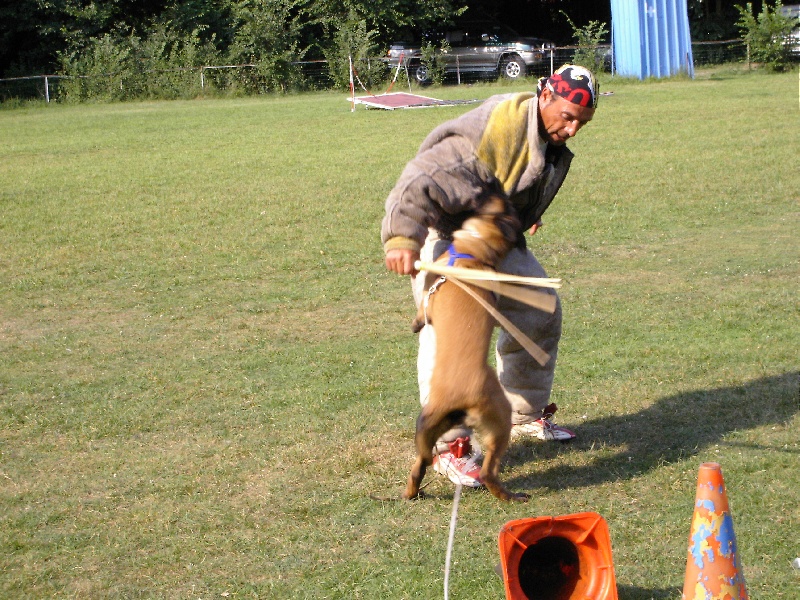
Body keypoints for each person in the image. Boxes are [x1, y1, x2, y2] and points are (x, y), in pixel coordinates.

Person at [381, 64, 598, 488]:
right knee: (446, 333)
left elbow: (518, 183)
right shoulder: (490, 132)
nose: (572, 130)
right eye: (568, 117)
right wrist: (401, 240)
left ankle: (521, 413)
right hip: (443, 237)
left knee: (541, 312)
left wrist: (524, 216)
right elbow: (418, 179)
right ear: (546, 96)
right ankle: (450, 447)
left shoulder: (544, 134)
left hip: (492, 240)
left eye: (582, 123)